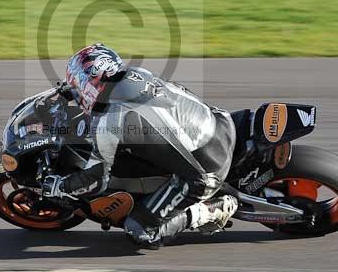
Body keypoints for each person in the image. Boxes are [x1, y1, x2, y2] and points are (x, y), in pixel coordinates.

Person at [38, 43, 238, 249]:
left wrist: (60, 187)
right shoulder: (136, 73)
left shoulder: (107, 121)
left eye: (77, 87)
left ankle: (209, 211)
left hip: (205, 173)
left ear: (89, 86)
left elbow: (95, 180)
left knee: (140, 230)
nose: (77, 93)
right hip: (218, 120)